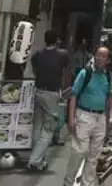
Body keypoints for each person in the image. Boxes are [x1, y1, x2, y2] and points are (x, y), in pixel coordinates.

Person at [64, 46, 112, 186]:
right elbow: (73, 95)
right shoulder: (85, 73)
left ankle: (88, 183)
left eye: (103, 56)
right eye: (98, 55)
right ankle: (68, 182)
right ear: (94, 57)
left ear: (108, 60)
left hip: (100, 117)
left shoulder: (108, 76)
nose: (100, 58)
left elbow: (109, 97)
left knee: (94, 154)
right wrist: (71, 118)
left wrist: (110, 117)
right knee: (79, 151)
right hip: (84, 115)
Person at [27, 29, 71, 172]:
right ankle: (34, 160)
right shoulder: (62, 55)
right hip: (52, 94)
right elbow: (66, 73)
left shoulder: (37, 55)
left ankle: (39, 160)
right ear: (57, 40)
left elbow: (34, 71)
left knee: (37, 126)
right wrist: (64, 90)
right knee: (49, 128)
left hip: (38, 91)